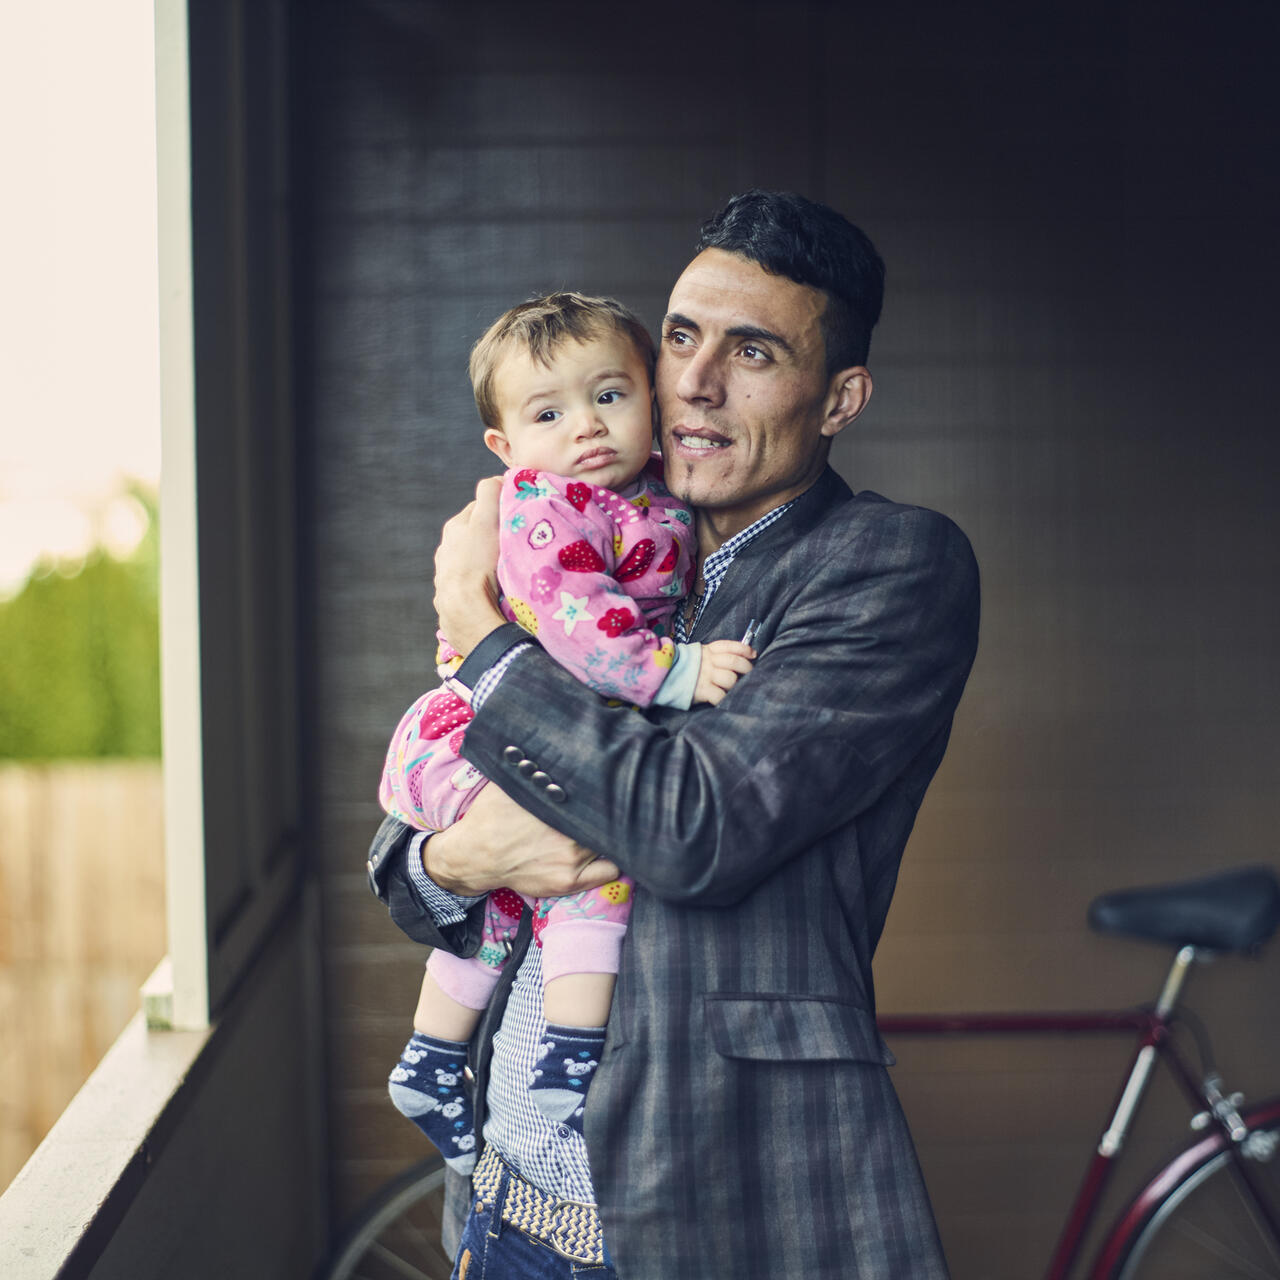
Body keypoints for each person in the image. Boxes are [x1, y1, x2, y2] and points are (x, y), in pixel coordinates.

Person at [367, 189, 980, 1279]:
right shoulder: (602, 536)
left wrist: (479, 626)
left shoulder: (884, 566)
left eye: (752, 351)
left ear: (838, 398)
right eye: (683, 335)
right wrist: (457, 855)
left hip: (690, 1212)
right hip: (500, 1201)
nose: (694, 379)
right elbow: (410, 856)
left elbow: (695, 825)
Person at [380, 292, 754, 1175]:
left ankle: (434, 1061)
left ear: (651, 404)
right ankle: (571, 1053)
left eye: (610, 397)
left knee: (515, 893)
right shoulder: (547, 507)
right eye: (550, 413)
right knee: (589, 861)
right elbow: (579, 626)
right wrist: (678, 671)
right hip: (473, 734)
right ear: (506, 450)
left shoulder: (648, 494)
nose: (587, 427)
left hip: (516, 728)